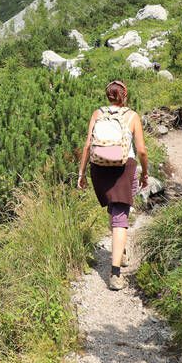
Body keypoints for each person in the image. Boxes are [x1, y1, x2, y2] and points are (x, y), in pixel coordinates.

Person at [77, 79, 149, 290]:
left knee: (114, 209)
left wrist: (81, 173)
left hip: (99, 167)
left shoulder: (98, 113)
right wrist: (145, 173)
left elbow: (88, 144)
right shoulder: (132, 116)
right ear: (124, 95)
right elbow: (142, 150)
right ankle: (115, 272)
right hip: (124, 167)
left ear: (107, 95)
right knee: (120, 215)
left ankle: (121, 251)